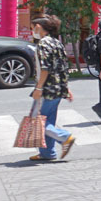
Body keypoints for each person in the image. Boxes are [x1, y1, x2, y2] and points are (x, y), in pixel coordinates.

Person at [30, 15, 76, 162]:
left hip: (47, 88)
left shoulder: (43, 44)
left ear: (38, 27)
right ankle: (47, 153)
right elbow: (63, 67)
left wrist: (38, 88)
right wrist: (66, 87)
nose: (32, 31)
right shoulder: (57, 43)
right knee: (48, 119)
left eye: (33, 27)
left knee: (37, 121)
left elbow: (45, 68)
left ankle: (64, 137)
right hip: (58, 87)